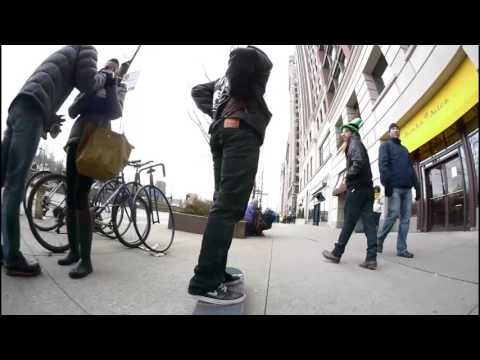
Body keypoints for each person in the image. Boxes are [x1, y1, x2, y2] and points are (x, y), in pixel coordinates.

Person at [1, 45, 109, 276]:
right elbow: (87, 82)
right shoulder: (87, 48)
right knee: (14, 185)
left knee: (6, 180)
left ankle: (6, 251)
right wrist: (105, 76)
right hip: (33, 110)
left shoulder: (68, 51)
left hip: (20, 106)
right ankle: (11, 257)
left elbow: (50, 86)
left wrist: (49, 118)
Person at [188, 45, 273, 305]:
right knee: (228, 207)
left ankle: (215, 271)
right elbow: (241, 55)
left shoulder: (220, 80)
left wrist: (217, 113)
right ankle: (205, 281)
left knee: (225, 206)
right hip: (240, 134)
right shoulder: (253, 55)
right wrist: (238, 99)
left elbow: (197, 91)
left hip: (222, 133)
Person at [58, 59, 128, 279]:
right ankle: (73, 251)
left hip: (96, 141)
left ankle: (86, 261)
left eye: (113, 67)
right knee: (70, 194)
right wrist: (96, 86)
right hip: (75, 139)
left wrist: (111, 84)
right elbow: (72, 110)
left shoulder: (118, 85)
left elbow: (116, 112)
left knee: (81, 193)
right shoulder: (92, 82)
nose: (109, 68)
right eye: (107, 65)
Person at [322, 118, 378, 270]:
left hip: (357, 189)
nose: (342, 134)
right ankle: (371, 258)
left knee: (348, 222)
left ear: (351, 132)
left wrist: (348, 177)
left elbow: (358, 162)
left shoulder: (354, 143)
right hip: (367, 189)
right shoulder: (356, 143)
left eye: (345, 131)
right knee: (369, 223)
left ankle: (337, 253)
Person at [377, 123, 420, 258]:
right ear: (389, 132)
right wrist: (387, 185)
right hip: (394, 187)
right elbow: (383, 165)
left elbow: (411, 169)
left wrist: (417, 187)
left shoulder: (404, 149)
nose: (396, 130)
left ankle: (401, 249)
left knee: (406, 220)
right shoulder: (385, 146)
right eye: (393, 129)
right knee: (393, 215)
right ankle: (379, 239)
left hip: (407, 189)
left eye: (397, 129)